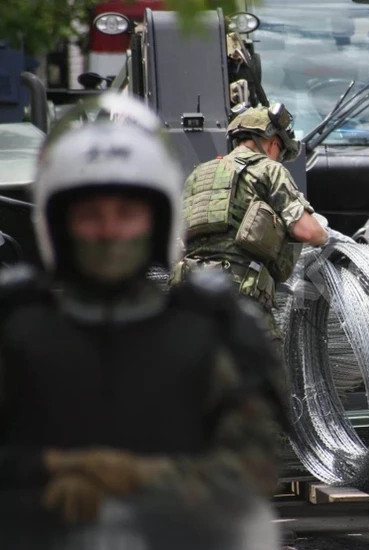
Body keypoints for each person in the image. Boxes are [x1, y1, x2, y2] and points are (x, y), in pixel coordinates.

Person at [0, 96, 285, 546]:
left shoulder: (211, 334)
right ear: (56, 224)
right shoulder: (16, 333)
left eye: (127, 214)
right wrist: (52, 471)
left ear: (156, 221)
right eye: (90, 215)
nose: (110, 231)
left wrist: (135, 476)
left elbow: (250, 469)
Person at [172, 104, 330, 337]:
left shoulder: (197, 175)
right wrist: (326, 234)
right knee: (261, 370)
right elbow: (310, 232)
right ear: (274, 143)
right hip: (239, 297)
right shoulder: (269, 169)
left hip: (188, 296)